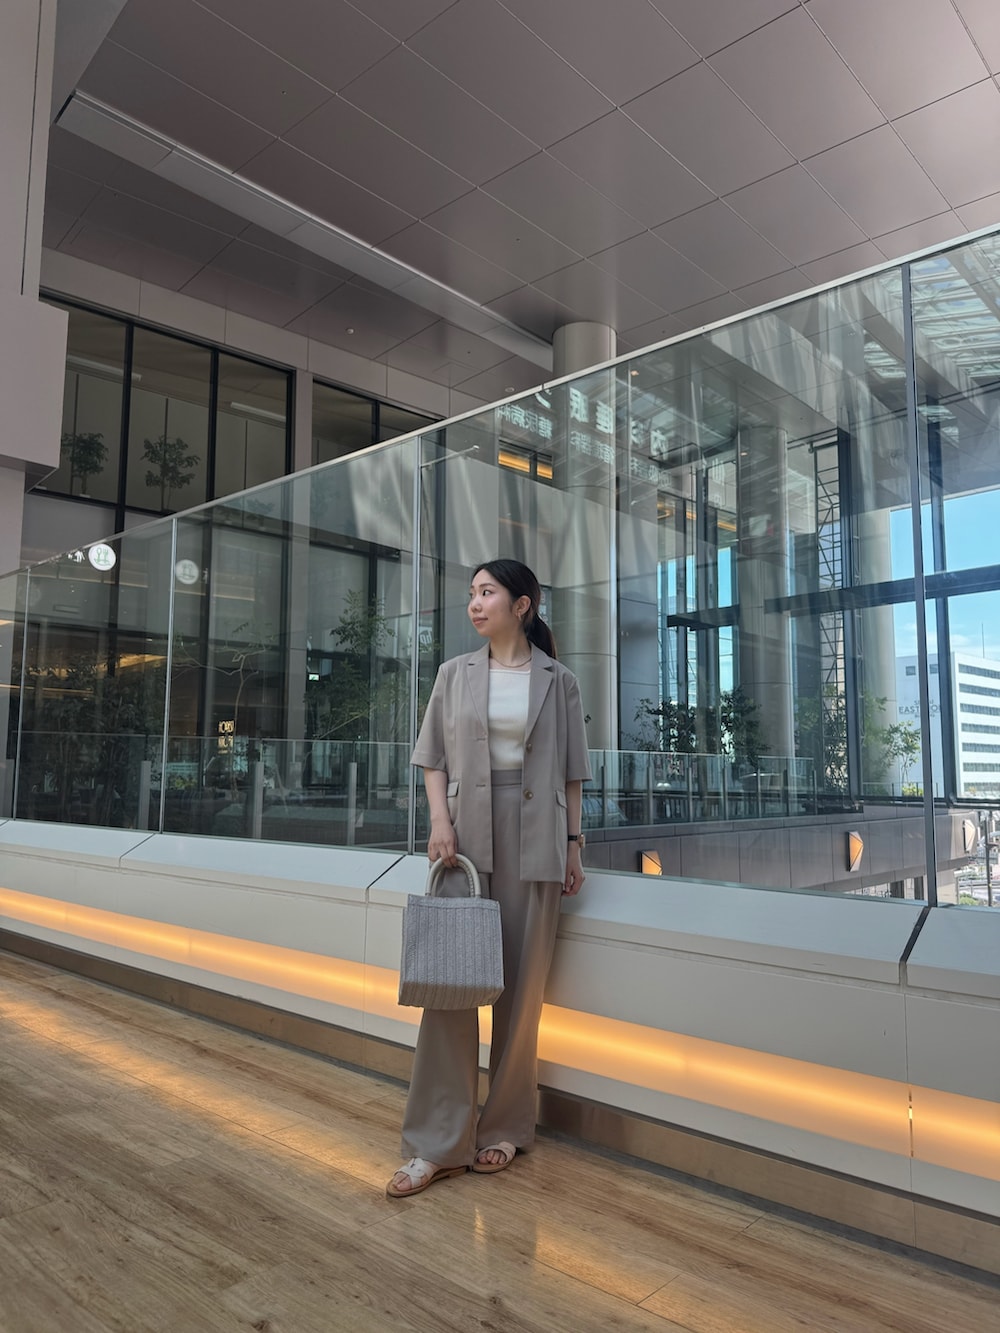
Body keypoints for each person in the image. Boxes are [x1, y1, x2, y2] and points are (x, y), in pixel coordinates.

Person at [387, 559, 592, 1198]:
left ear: (521, 605)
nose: (474, 604)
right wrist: (439, 822)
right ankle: (436, 1143)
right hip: (465, 840)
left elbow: (572, 773)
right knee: (450, 989)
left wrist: (574, 845)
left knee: (521, 996)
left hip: (539, 839)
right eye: (472, 594)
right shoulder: (454, 674)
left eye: (487, 593)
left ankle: (504, 1128)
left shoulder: (559, 680)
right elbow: (432, 758)